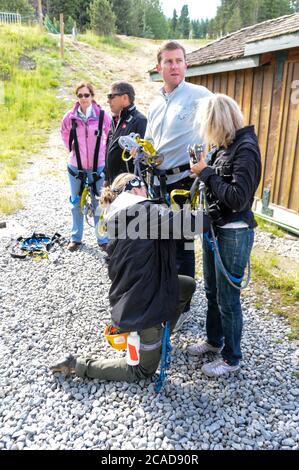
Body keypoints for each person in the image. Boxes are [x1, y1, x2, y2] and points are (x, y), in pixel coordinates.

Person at [50, 173, 210, 382]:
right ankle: (77, 365)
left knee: (186, 285)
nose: (148, 191)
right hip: (144, 306)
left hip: (136, 296)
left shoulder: (120, 215)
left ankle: (158, 337)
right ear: (135, 188)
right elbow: (189, 224)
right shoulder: (144, 212)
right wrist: (217, 212)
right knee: (141, 372)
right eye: (144, 185)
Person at [187, 93, 262, 378]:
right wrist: (202, 172)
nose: (206, 132)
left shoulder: (246, 149)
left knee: (228, 298)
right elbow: (217, 183)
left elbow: (239, 198)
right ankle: (213, 341)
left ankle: (232, 358)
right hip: (213, 228)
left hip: (233, 232)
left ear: (217, 122)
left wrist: (206, 173)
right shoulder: (223, 147)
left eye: (207, 125)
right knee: (211, 292)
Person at [145, 41, 212, 324]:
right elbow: (149, 140)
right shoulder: (156, 103)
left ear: (186, 65)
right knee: (161, 241)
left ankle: (182, 308)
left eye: (179, 61)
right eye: (168, 61)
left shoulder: (200, 96)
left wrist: (209, 163)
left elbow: (220, 125)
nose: (174, 66)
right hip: (157, 183)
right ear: (159, 66)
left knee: (183, 245)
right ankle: (165, 293)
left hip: (184, 183)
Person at [61, 82, 111, 251]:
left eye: (86, 95)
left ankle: (102, 239)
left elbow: (110, 134)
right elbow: (64, 132)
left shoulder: (102, 115)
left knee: (100, 203)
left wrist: (105, 153)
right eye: (80, 95)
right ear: (77, 97)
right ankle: (76, 238)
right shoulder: (70, 117)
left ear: (92, 96)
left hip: (98, 166)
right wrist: (71, 149)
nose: (83, 98)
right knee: (75, 202)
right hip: (76, 166)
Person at [104, 81, 147, 185]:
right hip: (113, 183)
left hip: (130, 187)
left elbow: (143, 160)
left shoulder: (140, 120)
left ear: (124, 98)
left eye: (111, 96)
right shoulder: (115, 120)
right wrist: (107, 179)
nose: (108, 101)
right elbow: (110, 152)